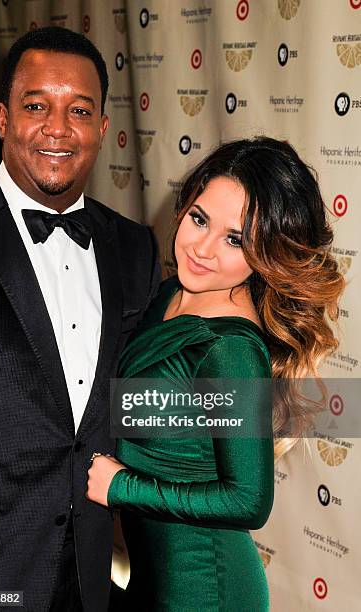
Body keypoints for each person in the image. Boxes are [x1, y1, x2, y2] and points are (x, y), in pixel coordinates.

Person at [87, 137, 344, 611]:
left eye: (235, 239)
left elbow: (249, 500)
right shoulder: (170, 294)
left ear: (265, 253)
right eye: (200, 219)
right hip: (152, 581)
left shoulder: (228, 348)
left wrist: (121, 486)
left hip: (207, 592)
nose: (203, 249)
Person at [0, 26, 159, 612]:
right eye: (36, 106)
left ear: (101, 128)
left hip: (90, 575)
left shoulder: (134, 248)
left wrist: (250, 403)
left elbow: (137, 395)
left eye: (79, 110)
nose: (57, 128)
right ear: (1, 117)